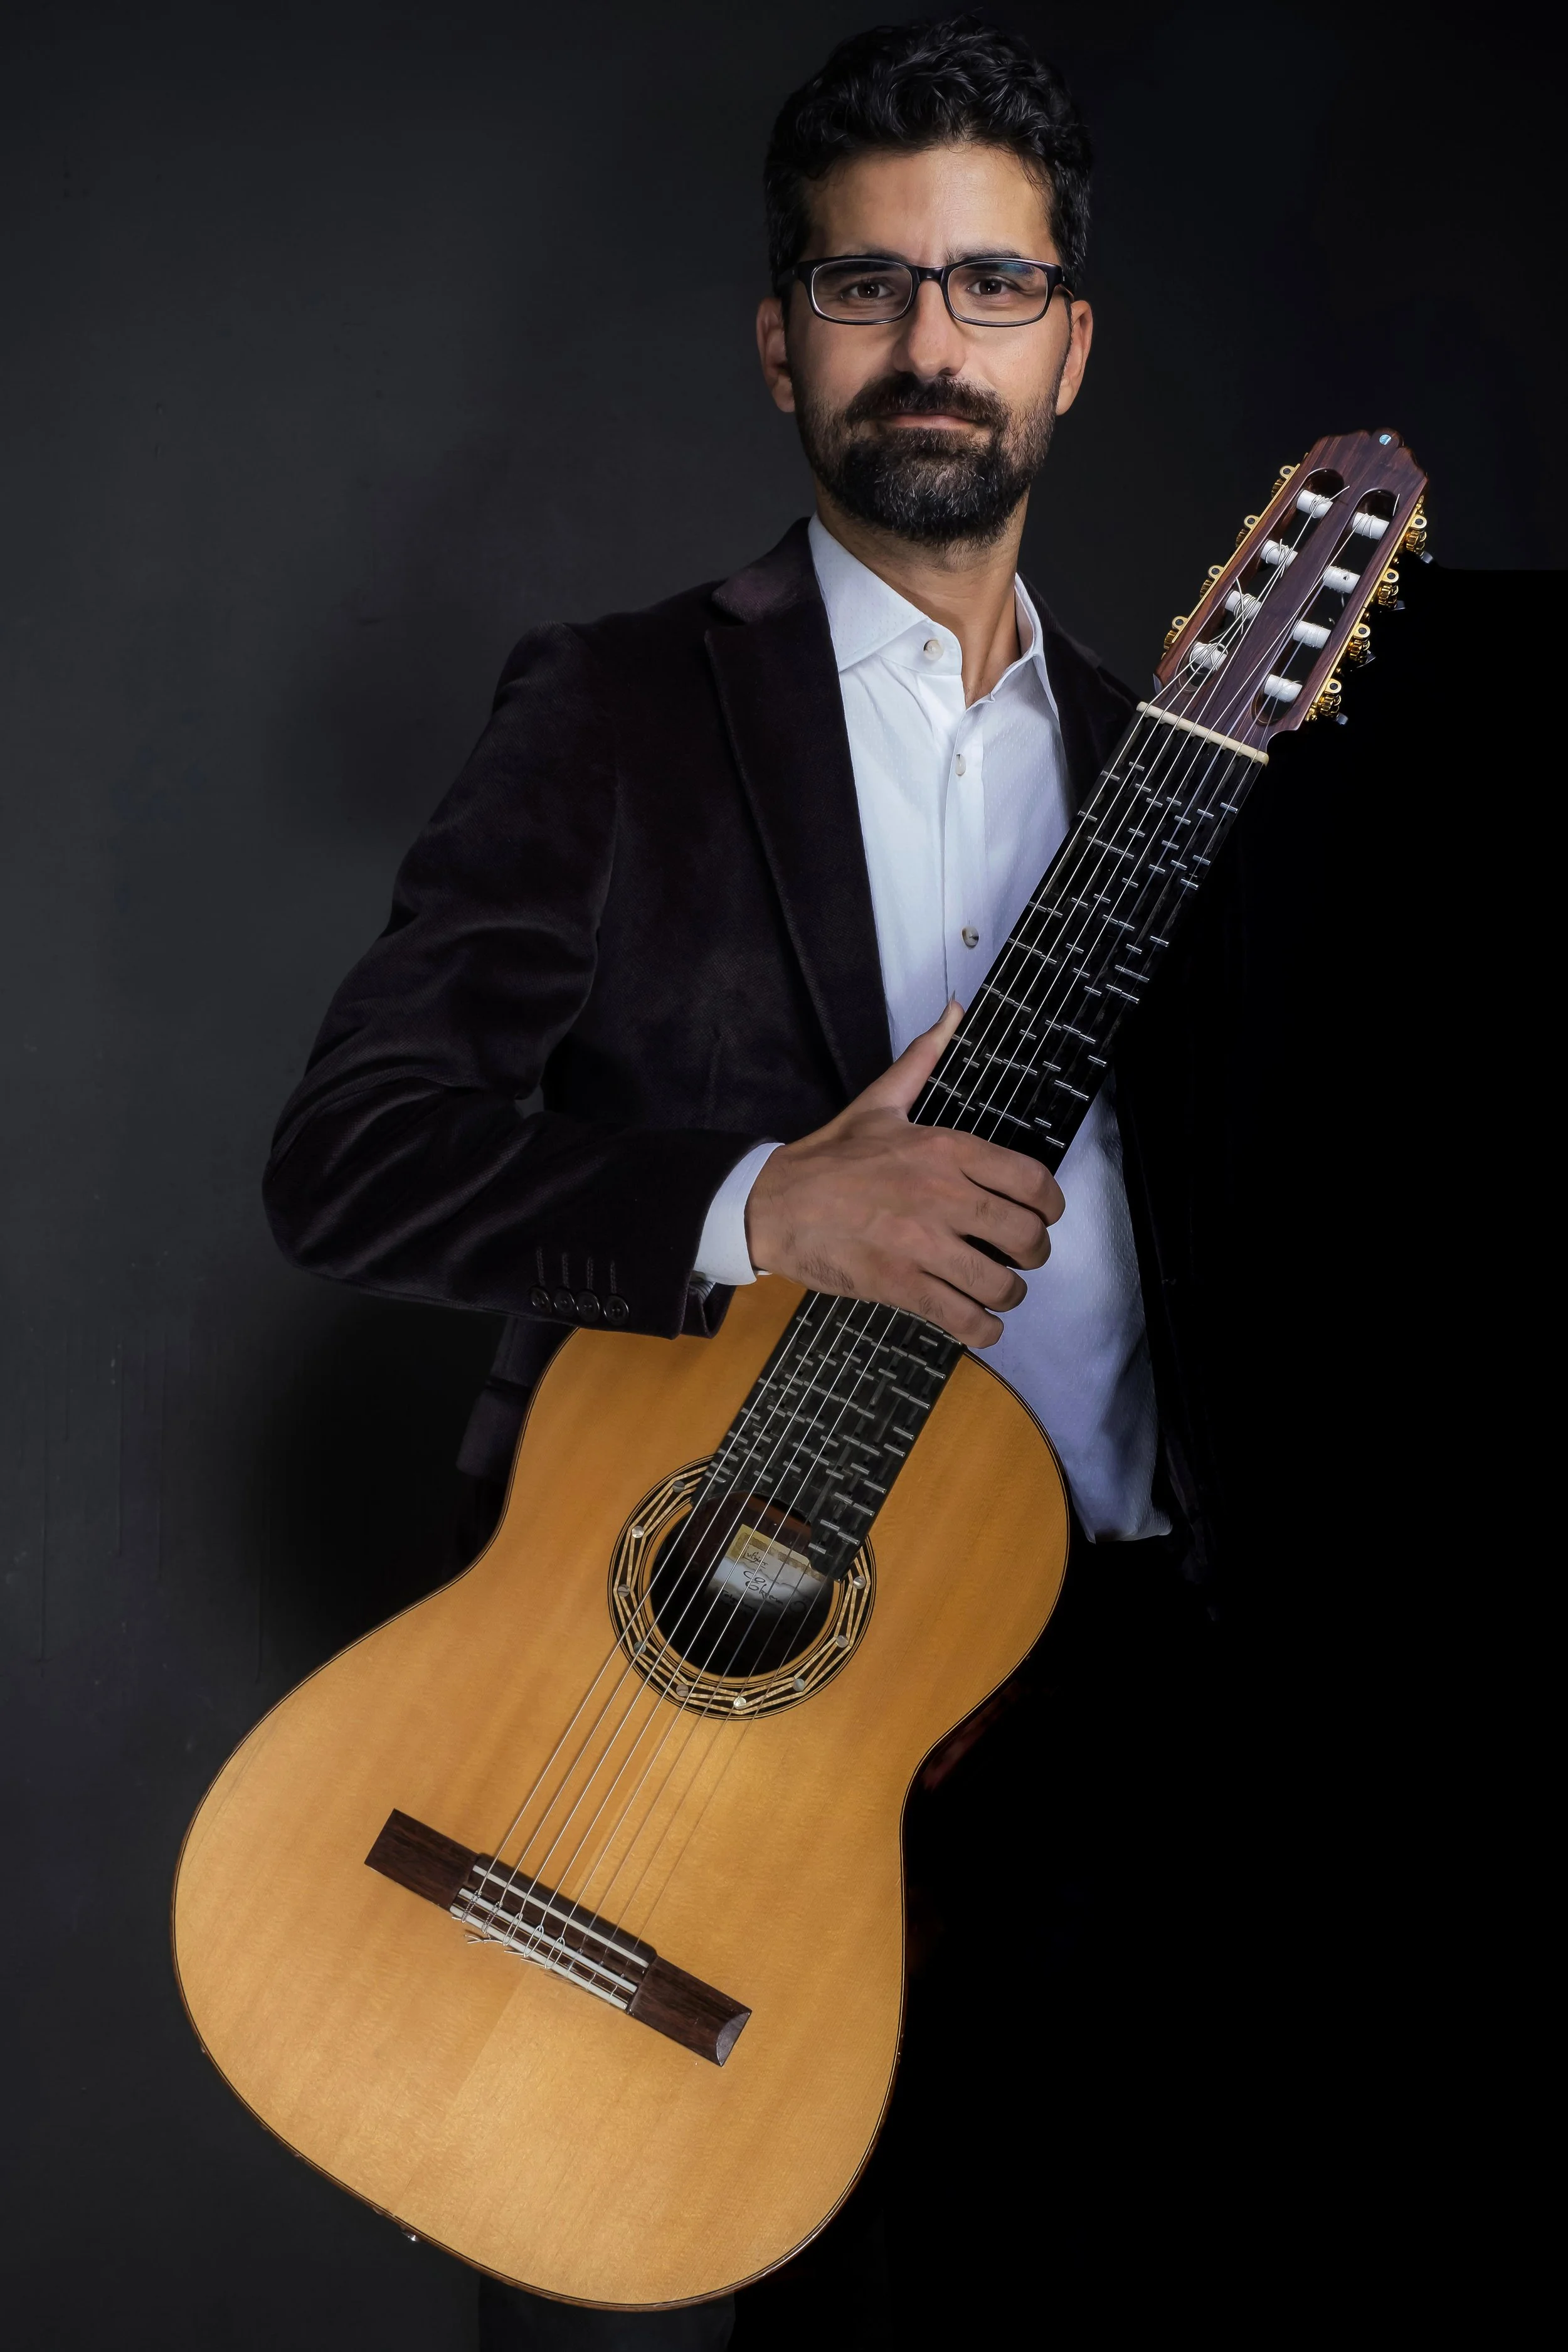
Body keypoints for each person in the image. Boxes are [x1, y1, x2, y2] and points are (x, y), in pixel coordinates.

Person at [265, 19, 1233, 2346]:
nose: (928, 342)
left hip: (1116, 1727)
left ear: (1071, 348)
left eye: (988, 285)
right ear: (777, 339)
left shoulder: (1186, 780)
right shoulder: (611, 713)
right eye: (863, 285)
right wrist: (756, 1209)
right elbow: (349, 1159)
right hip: (706, 1704)